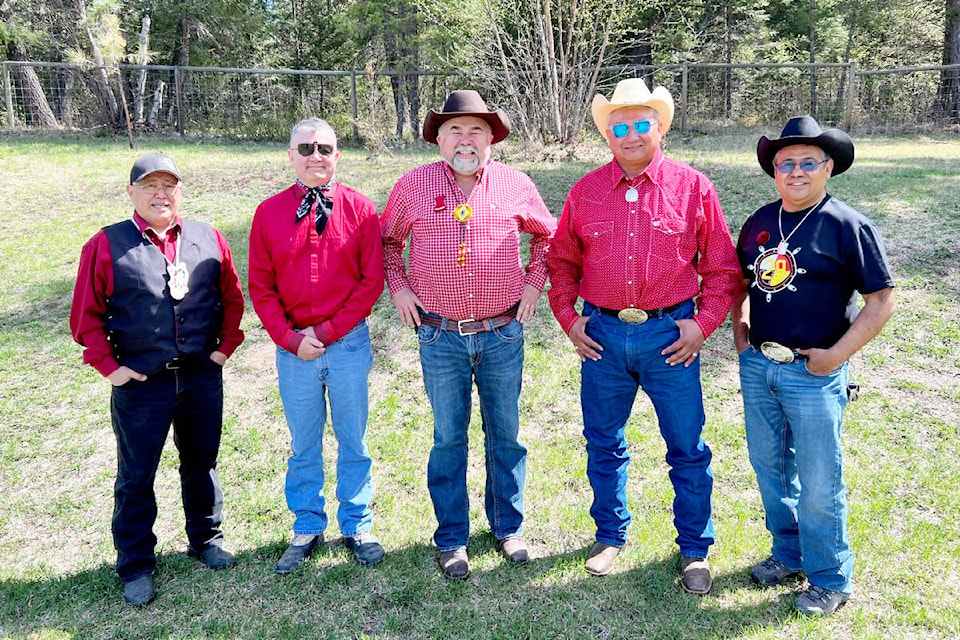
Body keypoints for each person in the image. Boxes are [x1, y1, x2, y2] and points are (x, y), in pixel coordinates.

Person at [547, 78, 741, 594]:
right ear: (608, 135)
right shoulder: (584, 192)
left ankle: (695, 549)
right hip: (603, 337)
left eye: (640, 125)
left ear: (659, 128)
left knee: (687, 447)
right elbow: (561, 262)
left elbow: (722, 271)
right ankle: (610, 535)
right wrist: (570, 321)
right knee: (603, 442)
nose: (630, 135)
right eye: (620, 127)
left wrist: (701, 325)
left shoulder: (694, 187)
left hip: (669, 338)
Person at [380, 90, 557, 579]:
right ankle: (452, 538)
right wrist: (399, 288)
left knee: (506, 435)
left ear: (491, 140)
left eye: (476, 130)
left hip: (502, 332)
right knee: (448, 438)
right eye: (454, 129)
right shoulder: (413, 186)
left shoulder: (515, 184)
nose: (465, 140)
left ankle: (508, 527)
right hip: (439, 336)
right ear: (438, 138)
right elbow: (388, 243)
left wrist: (533, 285)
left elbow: (549, 236)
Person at [732, 116, 895, 616]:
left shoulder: (848, 225)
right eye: (786, 164)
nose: (796, 172)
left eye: (808, 163)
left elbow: (881, 301)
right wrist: (740, 335)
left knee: (822, 480)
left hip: (815, 372)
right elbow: (737, 283)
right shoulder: (760, 222)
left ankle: (830, 576)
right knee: (770, 468)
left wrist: (837, 357)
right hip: (761, 367)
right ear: (774, 171)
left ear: (827, 168)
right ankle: (790, 554)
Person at [69, 152, 245, 606]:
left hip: (201, 377)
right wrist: (110, 367)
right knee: (136, 474)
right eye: (149, 186)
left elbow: (232, 297)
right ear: (131, 193)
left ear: (180, 191)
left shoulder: (207, 237)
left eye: (169, 185)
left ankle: (204, 539)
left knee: (202, 461)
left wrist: (225, 347)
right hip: (141, 384)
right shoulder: (106, 245)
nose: (160, 194)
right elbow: (84, 319)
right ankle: (135, 563)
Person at [248, 118, 386, 574]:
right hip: (293, 351)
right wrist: (290, 339)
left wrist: (325, 334)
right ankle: (307, 525)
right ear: (290, 155)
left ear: (337, 156)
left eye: (324, 148)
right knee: (303, 442)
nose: (315, 156)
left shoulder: (362, 210)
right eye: (305, 148)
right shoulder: (268, 214)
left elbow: (371, 283)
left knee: (353, 438)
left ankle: (357, 523)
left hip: (346, 345)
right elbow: (261, 287)